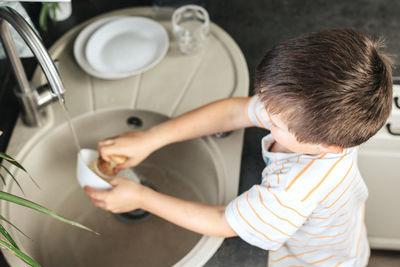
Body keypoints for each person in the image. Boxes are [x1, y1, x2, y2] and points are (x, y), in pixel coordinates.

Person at [84, 28, 393, 266]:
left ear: (329, 147)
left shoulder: (292, 193)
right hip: (338, 235)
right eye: (266, 104)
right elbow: (235, 112)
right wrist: (151, 138)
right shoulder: (301, 109)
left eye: (276, 124)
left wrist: (141, 197)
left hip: (315, 260)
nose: (262, 114)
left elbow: (222, 220)